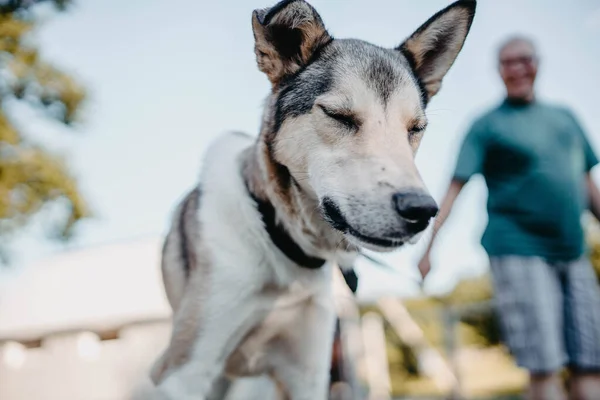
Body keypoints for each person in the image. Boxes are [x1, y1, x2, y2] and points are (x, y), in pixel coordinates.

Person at [418, 36, 600, 400]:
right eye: (507, 62)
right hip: (517, 249)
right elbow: (454, 189)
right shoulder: (486, 125)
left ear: (537, 64)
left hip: (572, 250)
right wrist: (429, 249)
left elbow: (587, 185)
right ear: (499, 71)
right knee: (544, 364)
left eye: (524, 60)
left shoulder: (565, 119)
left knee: (590, 360)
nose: (517, 68)